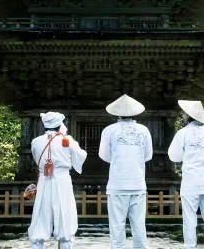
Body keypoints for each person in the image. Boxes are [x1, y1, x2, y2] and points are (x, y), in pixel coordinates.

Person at [99, 94, 153, 249]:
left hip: (117, 184)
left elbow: (104, 155)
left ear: (117, 113)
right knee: (139, 226)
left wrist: (118, 160)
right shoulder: (144, 130)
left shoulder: (109, 130)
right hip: (137, 183)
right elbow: (147, 155)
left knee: (116, 227)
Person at [29, 111, 87, 249]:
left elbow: (35, 157)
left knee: (41, 214)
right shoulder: (67, 140)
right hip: (62, 180)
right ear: (59, 124)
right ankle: (65, 241)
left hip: (44, 180)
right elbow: (81, 156)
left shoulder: (35, 142)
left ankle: (37, 244)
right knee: (65, 214)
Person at [168, 100, 204, 249]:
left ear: (189, 116)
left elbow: (174, 157)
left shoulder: (183, 133)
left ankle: (190, 246)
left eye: (184, 113)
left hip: (190, 181)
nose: (183, 115)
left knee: (189, 217)